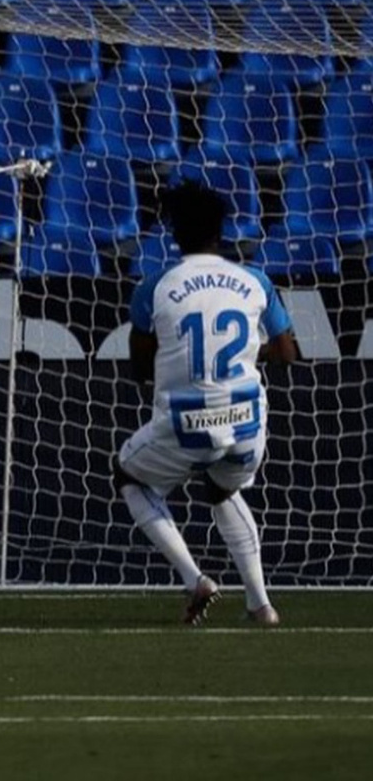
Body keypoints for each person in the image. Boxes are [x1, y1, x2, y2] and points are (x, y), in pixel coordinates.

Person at [117, 182, 298, 626]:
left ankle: (194, 578)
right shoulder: (254, 280)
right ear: (221, 233)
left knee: (128, 476)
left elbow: (139, 363)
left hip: (184, 421)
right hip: (246, 420)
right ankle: (261, 606)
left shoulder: (155, 286)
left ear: (175, 235)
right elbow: (288, 352)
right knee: (224, 488)